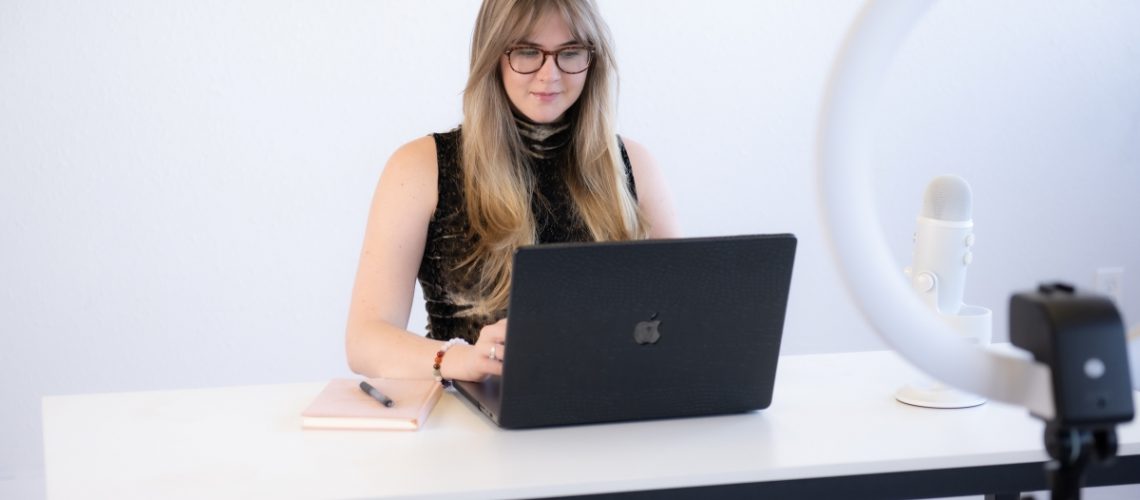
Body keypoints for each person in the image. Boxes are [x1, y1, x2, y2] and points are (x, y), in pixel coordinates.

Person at [345, 0, 678, 385]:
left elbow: (680, 317)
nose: (549, 74)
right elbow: (365, 340)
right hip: (468, 425)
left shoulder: (633, 164)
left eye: (570, 52)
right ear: (493, 55)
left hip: (609, 417)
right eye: (526, 51)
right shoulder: (420, 167)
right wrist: (462, 359)